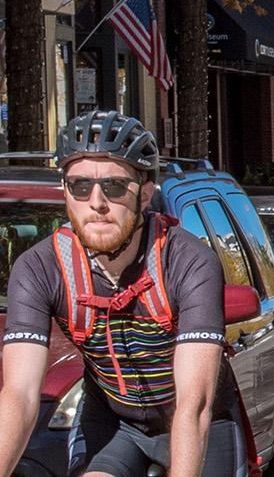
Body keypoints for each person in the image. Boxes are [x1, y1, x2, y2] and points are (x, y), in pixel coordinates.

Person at [0, 112, 246, 477]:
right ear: (65, 192)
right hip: (113, 419)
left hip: (198, 419)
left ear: (144, 194)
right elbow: (19, 395)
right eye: (80, 186)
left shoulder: (188, 260)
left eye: (114, 187)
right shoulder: (40, 268)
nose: (96, 202)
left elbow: (194, 404)